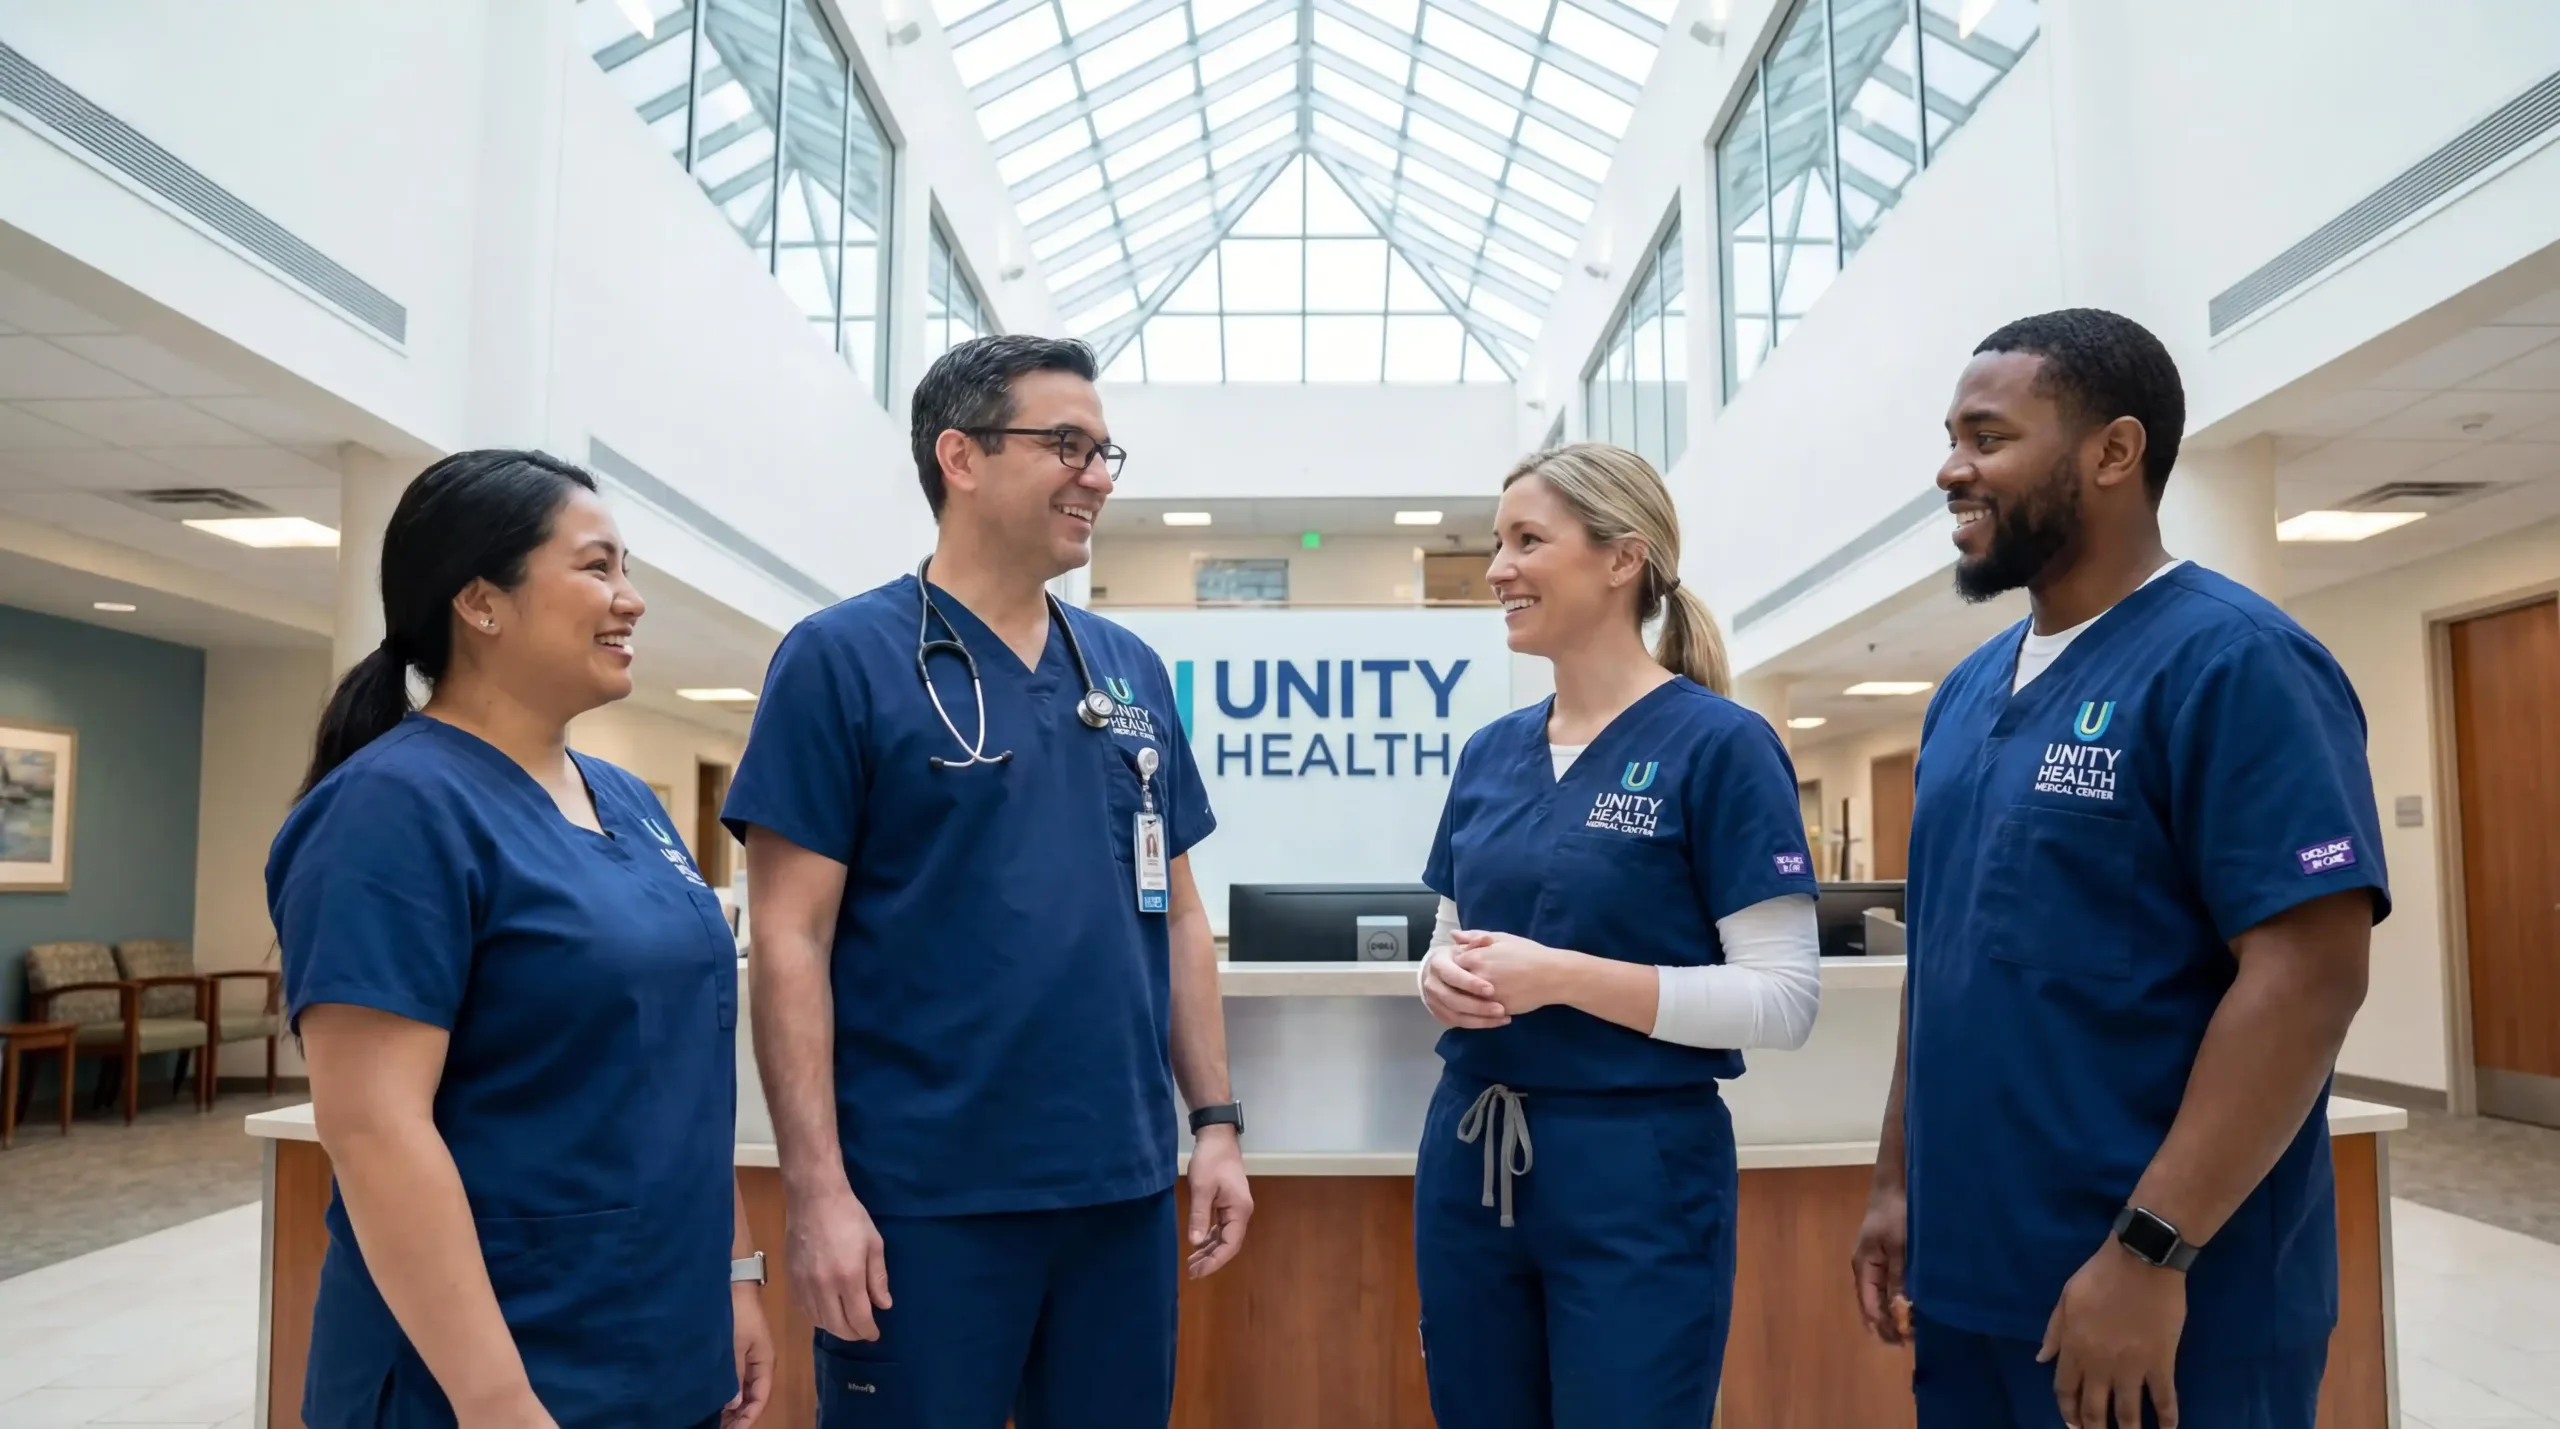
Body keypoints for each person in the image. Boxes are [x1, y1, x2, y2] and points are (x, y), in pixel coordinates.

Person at [1851, 309, 2388, 1429]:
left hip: (2167, 1307)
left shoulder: (2234, 664)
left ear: (2112, 452)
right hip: (1975, 1288)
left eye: (1988, 437)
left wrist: (2151, 1250)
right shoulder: (1964, 695)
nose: (1952, 468)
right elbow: (1943, 965)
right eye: (1951, 435)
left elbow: (2307, 978)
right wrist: (1901, 1181)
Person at [723, 334, 1249, 1428]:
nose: (1097, 474)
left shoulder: (1128, 671)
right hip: (923, 1201)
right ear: (958, 457)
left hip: (1118, 1190)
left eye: (1106, 450)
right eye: (1065, 444)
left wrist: (1214, 1124)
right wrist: (815, 1192)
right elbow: (788, 943)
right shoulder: (840, 659)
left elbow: (1180, 912)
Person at [268, 450, 773, 1429]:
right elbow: (375, 1130)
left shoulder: (627, 802)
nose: (630, 600)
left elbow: (682, 1069)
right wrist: (497, 1401)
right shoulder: (391, 812)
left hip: (661, 1337)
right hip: (486, 1369)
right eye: (596, 568)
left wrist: (734, 1267)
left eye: (627, 570)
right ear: (480, 602)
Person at [1413, 443, 1825, 1428]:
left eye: (1527, 540)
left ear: (1619, 558)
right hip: (1472, 1154)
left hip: (1634, 1167)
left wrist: (1561, 976)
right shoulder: (1489, 753)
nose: (1497, 568)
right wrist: (1437, 973)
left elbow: (1783, 998)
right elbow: (1448, 932)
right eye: (1497, 542)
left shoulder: (1719, 746)